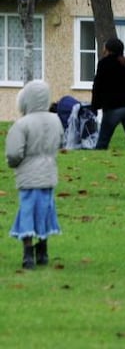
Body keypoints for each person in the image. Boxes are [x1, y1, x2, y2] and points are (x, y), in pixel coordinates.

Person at [5, 81, 64, 270]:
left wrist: (13, 164)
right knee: (45, 211)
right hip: (48, 173)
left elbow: (14, 153)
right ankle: (43, 251)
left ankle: (28, 254)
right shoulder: (55, 120)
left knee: (28, 211)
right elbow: (61, 142)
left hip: (28, 175)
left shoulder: (22, 124)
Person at [91, 37, 125, 150]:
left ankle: (97, 160)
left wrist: (95, 106)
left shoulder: (104, 63)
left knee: (103, 140)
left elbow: (98, 85)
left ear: (108, 49)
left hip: (114, 107)